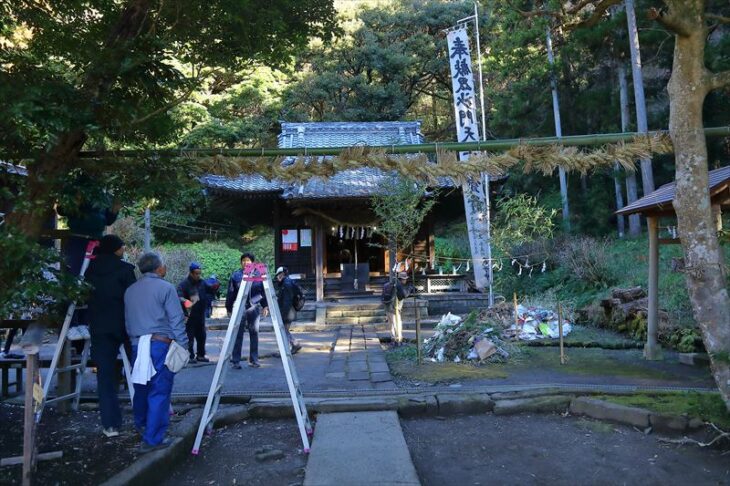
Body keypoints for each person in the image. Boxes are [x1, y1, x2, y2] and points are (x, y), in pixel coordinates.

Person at [124, 252, 188, 453]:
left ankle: (142, 426)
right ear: (159, 268)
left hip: (137, 344)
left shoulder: (130, 290)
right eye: (164, 264)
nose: (165, 267)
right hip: (159, 344)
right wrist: (183, 345)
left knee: (141, 388)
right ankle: (153, 438)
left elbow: (127, 321)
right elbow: (176, 319)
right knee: (159, 391)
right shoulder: (166, 288)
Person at [85, 234, 136, 438]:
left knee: (105, 378)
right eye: (122, 247)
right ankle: (146, 419)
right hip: (125, 326)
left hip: (99, 327)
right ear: (115, 249)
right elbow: (133, 299)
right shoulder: (125, 269)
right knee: (140, 370)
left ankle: (110, 424)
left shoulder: (90, 270)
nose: (124, 250)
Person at [226, 253, 269, 369]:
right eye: (243, 260)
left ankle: (254, 360)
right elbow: (230, 293)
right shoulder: (236, 276)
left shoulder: (258, 275)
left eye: (248, 260)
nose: (246, 263)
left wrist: (265, 306)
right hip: (240, 308)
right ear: (241, 262)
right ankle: (236, 361)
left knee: (254, 333)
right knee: (237, 334)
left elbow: (263, 291)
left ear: (253, 263)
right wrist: (229, 308)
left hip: (254, 307)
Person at [177, 262, 209, 363]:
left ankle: (200, 355)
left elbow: (209, 291)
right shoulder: (184, 284)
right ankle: (189, 356)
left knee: (201, 336)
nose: (198, 275)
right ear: (191, 273)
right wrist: (186, 301)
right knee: (189, 337)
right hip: (189, 315)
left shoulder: (202, 283)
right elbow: (178, 297)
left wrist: (214, 287)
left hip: (200, 314)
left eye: (199, 273)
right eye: (196, 273)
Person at [274, 266, 302, 354]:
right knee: (285, 330)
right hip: (291, 310)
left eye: (278, 275)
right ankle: (294, 344)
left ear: (282, 274)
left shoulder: (286, 284)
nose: (277, 277)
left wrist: (282, 315)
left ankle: (288, 349)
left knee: (283, 331)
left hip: (288, 311)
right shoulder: (289, 282)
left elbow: (287, 301)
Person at [383, 272, 408, 345]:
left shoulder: (392, 284)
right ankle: (398, 340)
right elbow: (403, 295)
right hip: (394, 309)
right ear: (402, 279)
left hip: (388, 307)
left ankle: (393, 339)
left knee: (391, 324)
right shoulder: (399, 286)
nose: (406, 281)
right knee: (397, 324)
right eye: (405, 279)